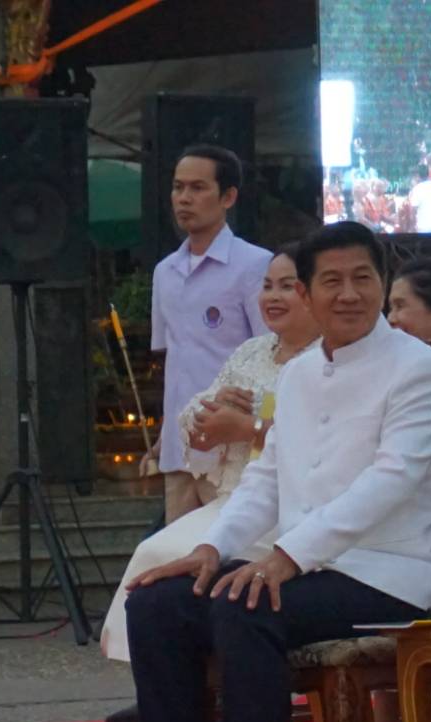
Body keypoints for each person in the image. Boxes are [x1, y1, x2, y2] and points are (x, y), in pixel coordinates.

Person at [111, 221, 431, 722]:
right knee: (158, 606)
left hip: (387, 573)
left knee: (245, 607)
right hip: (304, 568)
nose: (348, 293)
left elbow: (392, 479)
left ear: (382, 285)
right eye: (332, 280)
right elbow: (266, 479)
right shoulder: (297, 377)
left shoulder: (417, 368)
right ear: (308, 291)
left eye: (363, 278)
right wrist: (215, 548)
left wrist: (286, 556)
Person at [101, 247, 318, 664]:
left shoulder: (325, 360)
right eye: (267, 286)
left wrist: (246, 428)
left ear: (312, 295)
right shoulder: (252, 352)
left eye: (287, 287)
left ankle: (188, 681)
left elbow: (322, 442)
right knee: (152, 551)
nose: (273, 296)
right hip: (233, 501)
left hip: (289, 509)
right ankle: (162, 679)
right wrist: (209, 417)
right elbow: (195, 424)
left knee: (168, 557)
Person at [150, 145, 272, 523]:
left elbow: (276, 353)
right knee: (178, 563)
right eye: (178, 187)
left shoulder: (256, 265)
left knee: (231, 556)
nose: (184, 198)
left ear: (229, 197)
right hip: (178, 449)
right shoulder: (164, 271)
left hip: (232, 449)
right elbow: (173, 358)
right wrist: (163, 433)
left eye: (198, 188)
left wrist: (262, 434)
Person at [407, 164, 431, 234]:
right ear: (428, 174)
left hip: (422, 228)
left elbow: (413, 211)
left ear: (418, 175)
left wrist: (412, 227)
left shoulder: (416, 189)